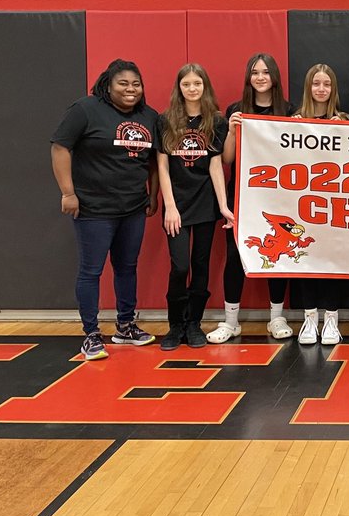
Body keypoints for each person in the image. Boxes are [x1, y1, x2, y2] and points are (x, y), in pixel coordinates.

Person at [51, 58, 159, 361]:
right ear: (108, 85)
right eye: (123, 83)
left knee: (127, 267)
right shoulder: (85, 110)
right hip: (94, 208)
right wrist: (67, 192)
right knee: (91, 271)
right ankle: (91, 334)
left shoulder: (149, 116)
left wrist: (153, 194)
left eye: (136, 83)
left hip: (133, 207)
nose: (131, 89)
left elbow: (153, 161)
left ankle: (125, 326)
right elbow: (60, 147)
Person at [208, 54, 295, 345]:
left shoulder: (288, 110)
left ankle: (276, 317)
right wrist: (232, 130)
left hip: (279, 196)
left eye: (265, 72)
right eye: (255, 72)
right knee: (236, 256)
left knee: (277, 253)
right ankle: (231, 321)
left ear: (274, 77)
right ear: (249, 78)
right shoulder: (236, 110)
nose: (260, 77)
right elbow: (228, 158)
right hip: (243, 195)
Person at [156, 64, 235, 351]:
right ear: (179, 88)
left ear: (205, 87)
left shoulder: (215, 121)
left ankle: (194, 324)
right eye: (187, 84)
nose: (192, 88)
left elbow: (216, 166)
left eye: (197, 84)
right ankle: (176, 324)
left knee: (200, 264)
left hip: (205, 202)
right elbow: (162, 167)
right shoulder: (165, 121)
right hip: (177, 203)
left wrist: (223, 207)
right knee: (180, 266)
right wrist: (170, 207)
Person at [293, 63, 349, 345]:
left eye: (326, 84)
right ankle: (309, 318)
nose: (321, 89)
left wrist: (348, 131)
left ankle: (331, 319)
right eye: (316, 83)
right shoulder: (293, 121)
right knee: (306, 258)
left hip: (334, 204)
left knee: (332, 260)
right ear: (308, 87)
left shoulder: (344, 119)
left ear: (333, 89)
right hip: (303, 203)